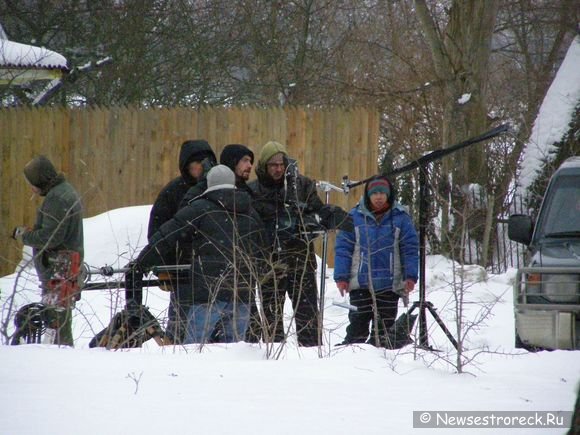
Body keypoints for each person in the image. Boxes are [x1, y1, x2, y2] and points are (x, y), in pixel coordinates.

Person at [127, 165, 266, 344]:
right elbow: (263, 252)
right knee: (233, 354)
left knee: (195, 353)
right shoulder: (250, 213)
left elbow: (167, 236)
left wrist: (141, 263)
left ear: (208, 185)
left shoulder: (200, 208)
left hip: (206, 295)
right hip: (241, 296)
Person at [248, 141, 349, 346]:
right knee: (271, 317)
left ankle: (311, 358)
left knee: (308, 316)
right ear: (264, 166)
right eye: (273, 164)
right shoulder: (254, 191)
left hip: (301, 258)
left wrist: (314, 220)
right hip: (270, 262)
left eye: (281, 163)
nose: (278, 168)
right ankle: (272, 358)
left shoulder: (301, 185)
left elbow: (316, 210)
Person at [334, 175, 419, 346]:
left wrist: (410, 276)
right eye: (374, 193)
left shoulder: (401, 218)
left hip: (390, 285)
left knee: (383, 334)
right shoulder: (354, 217)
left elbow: (409, 249)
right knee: (357, 327)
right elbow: (343, 249)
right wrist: (341, 277)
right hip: (360, 284)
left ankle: (381, 367)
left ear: (389, 194)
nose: (379, 197)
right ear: (368, 195)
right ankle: (346, 362)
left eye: (382, 193)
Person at [146, 139, 216, 343]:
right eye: (197, 162)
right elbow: (158, 233)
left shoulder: (218, 189)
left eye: (207, 161)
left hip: (213, 272)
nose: (203, 166)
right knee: (180, 328)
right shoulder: (173, 192)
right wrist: (163, 268)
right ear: (187, 166)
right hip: (182, 271)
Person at [11, 155, 84, 346]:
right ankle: (56, 355)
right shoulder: (63, 192)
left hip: (59, 270)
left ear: (40, 180)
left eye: (32, 183)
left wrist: (25, 236)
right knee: (56, 322)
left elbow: (51, 238)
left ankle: (60, 361)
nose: (31, 188)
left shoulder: (58, 198)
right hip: (62, 267)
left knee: (57, 323)